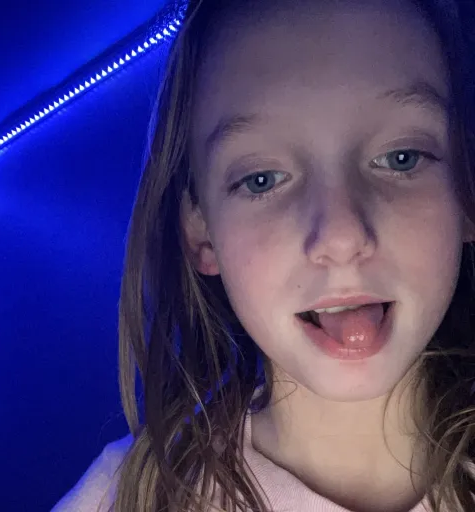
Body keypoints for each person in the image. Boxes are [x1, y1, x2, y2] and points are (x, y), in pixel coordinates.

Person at [52, 0, 475, 510]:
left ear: (467, 192)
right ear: (201, 233)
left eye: (401, 158)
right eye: (261, 180)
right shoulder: (124, 498)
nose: (341, 237)